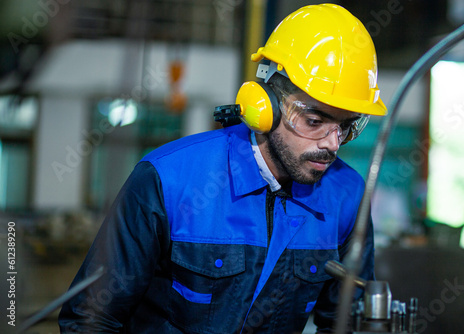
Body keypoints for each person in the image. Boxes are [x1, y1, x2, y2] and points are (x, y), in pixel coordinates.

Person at [58, 3, 387, 333]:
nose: (332, 143)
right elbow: (90, 320)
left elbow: (346, 323)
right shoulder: (168, 182)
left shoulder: (346, 196)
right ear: (265, 107)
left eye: (345, 128)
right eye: (314, 121)